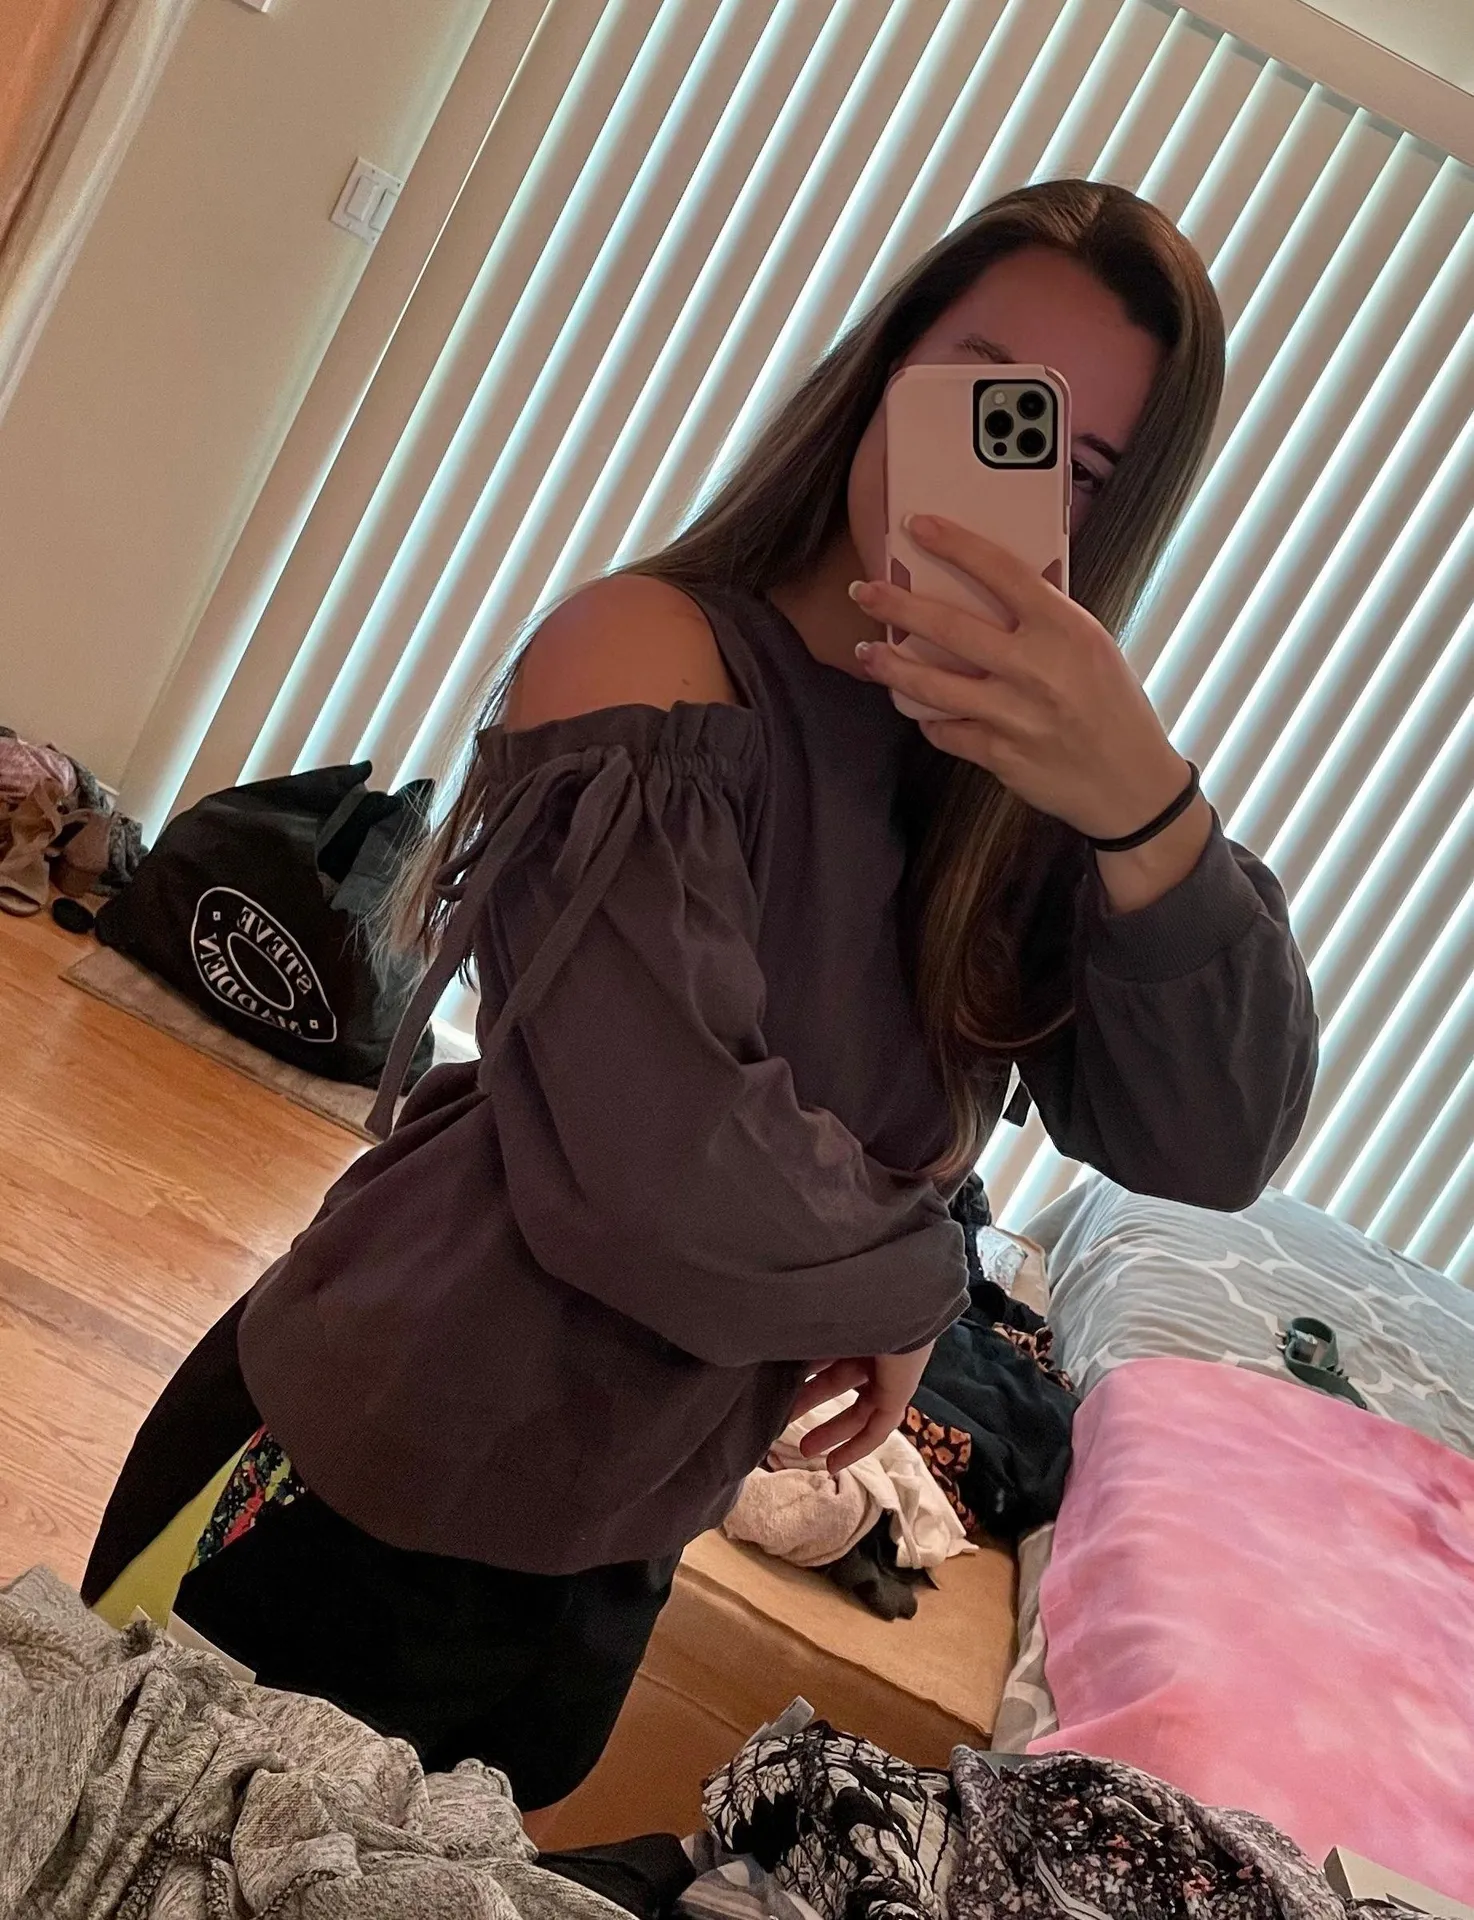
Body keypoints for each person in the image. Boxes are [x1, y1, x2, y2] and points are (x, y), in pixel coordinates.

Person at [82, 179, 1316, 1813]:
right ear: (883, 374)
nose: (1001, 466)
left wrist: (1141, 805)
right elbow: (664, 1181)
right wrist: (918, 1283)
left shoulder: (1018, 812)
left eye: (1072, 466)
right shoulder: (648, 655)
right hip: (355, 1461)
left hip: (615, 1542)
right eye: (980, 394)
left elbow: (1210, 1141)